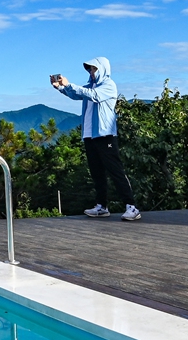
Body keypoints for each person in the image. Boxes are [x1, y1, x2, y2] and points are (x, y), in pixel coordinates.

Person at [51, 57, 141, 221]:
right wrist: (60, 88)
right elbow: (76, 94)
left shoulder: (108, 85)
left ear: (102, 69)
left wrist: (69, 84)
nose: (91, 72)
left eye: (94, 69)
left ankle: (132, 206)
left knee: (116, 171)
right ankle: (101, 206)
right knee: (97, 172)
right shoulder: (90, 87)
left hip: (105, 134)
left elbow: (93, 95)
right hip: (90, 135)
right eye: (90, 69)